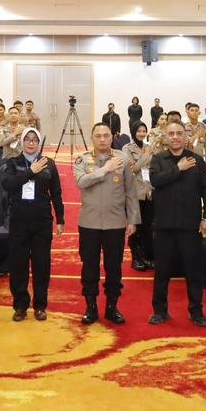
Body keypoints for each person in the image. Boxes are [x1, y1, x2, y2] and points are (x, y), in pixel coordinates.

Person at [148, 120, 206, 327]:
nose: (175, 137)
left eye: (179, 133)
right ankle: (160, 311)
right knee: (162, 272)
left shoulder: (197, 160)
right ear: (165, 137)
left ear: (185, 136)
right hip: (164, 225)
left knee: (193, 271)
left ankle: (196, 311)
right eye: (171, 134)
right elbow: (156, 180)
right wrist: (178, 168)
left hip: (189, 226)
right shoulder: (158, 159)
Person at [74, 122, 139, 325]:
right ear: (92, 138)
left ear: (112, 137)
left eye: (106, 135)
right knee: (89, 266)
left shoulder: (123, 159)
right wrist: (105, 169)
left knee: (114, 267)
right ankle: (91, 306)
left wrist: (133, 219)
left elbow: (130, 191)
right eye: (98, 136)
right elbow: (81, 182)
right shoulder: (82, 159)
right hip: (89, 223)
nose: (102, 139)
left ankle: (112, 306)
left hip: (115, 223)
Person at [0, 127, 64, 321]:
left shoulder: (48, 164)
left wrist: (60, 219)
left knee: (41, 264)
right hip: (18, 221)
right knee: (18, 265)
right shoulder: (13, 162)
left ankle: (40, 305)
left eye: (34, 139)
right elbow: (8, 185)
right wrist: (30, 171)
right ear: (21, 141)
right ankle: (20, 305)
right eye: (27, 139)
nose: (31, 142)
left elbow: (56, 193)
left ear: (39, 142)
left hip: (42, 221)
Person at [122, 122, 154, 271]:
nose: (141, 133)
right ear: (133, 132)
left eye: (144, 131)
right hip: (135, 193)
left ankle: (146, 257)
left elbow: (153, 169)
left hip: (149, 192)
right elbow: (133, 169)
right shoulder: (127, 149)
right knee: (135, 227)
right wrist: (147, 155)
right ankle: (136, 258)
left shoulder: (149, 146)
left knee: (147, 227)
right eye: (139, 131)